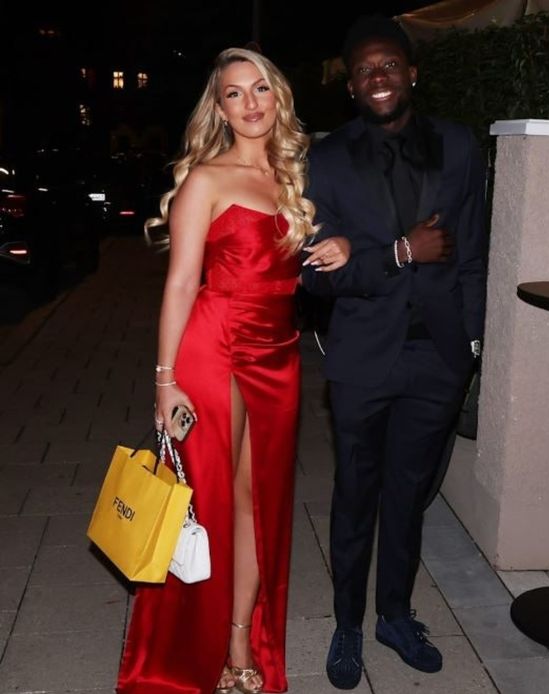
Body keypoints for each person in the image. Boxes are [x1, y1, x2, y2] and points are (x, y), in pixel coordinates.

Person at [116, 47, 349, 694]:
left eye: (260, 89)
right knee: (210, 503)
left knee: (259, 505)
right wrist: (165, 381)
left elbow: (316, 247)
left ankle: (240, 639)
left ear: (279, 97)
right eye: (234, 94)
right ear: (218, 109)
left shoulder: (292, 175)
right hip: (214, 345)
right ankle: (192, 651)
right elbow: (181, 283)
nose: (250, 104)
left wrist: (343, 244)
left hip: (278, 351)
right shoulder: (206, 179)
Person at [302, 16, 487, 690]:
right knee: (356, 494)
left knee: (408, 497)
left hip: (437, 358)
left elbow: (474, 249)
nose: (377, 78)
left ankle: (395, 616)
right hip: (362, 359)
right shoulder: (325, 161)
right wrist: (400, 252)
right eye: (363, 71)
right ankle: (348, 624)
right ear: (351, 87)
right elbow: (315, 276)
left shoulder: (459, 145)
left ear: (412, 72)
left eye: (388, 65)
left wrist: (471, 340)